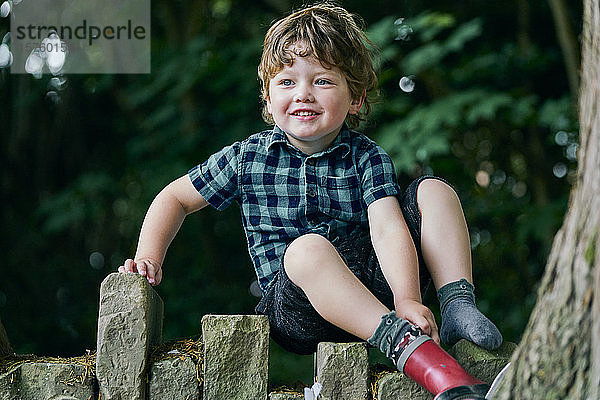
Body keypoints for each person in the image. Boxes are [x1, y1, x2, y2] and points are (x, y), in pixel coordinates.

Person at [118, 3, 502, 399]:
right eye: (286, 83)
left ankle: (457, 305)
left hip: (376, 286)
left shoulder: (366, 155)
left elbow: (388, 228)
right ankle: (406, 346)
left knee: (433, 190)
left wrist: (406, 299)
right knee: (306, 249)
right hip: (298, 305)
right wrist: (149, 255)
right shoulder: (248, 156)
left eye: (322, 81)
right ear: (267, 101)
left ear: (355, 98)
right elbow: (175, 197)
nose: (303, 94)